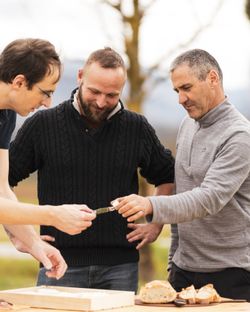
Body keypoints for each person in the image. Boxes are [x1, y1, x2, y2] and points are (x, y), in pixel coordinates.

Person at [9, 47, 175, 292]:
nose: (101, 102)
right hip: (58, 263)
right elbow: (3, 180)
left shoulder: (136, 128)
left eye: (111, 95)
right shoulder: (42, 124)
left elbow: (167, 175)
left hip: (121, 268)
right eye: (94, 91)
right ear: (80, 77)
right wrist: (20, 236)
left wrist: (156, 222)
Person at [114, 49, 250, 300]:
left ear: (212, 79)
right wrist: (173, 262)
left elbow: (208, 198)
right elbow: (182, 188)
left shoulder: (239, 135)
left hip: (231, 274)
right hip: (183, 271)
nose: (181, 99)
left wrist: (150, 205)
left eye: (186, 88)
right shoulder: (187, 124)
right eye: (177, 91)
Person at [0, 38, 95, 279]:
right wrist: (52, 214)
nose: (48, 103)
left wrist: (33, 243)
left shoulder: (6, 114)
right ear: (19, 82)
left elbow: (2, 189)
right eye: (45, 92)